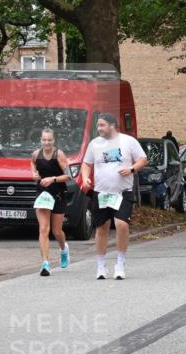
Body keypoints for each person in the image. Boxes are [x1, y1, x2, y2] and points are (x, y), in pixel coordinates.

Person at [81, 113, 147, 280]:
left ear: (112, 125)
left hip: (122, 192)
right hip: (102, 193)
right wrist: (86, 177)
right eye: (98, 125)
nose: (99, 128)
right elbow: (86, 163)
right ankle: (101, 265)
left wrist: (132, 169)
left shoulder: (128, 141)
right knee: (101, 228)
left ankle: (120, 262)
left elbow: (142, 159)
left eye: (102, 125)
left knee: (121, 225)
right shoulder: (95, 144)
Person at [30, 128, 71, 276]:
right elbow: (33, 165)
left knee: (56, 231)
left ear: (53, 141)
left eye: (49, 140)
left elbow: (68, 177)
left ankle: (63, 249)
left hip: (58, 194)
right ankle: (45, 264)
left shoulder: (59, 154)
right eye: (44, 140)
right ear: (41, 140)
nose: (46, 142)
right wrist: (34, 174)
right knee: (43, 229)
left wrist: (52, 179)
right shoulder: (36, 154)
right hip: (43, 195)